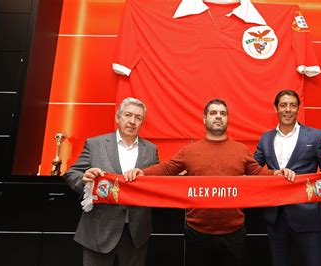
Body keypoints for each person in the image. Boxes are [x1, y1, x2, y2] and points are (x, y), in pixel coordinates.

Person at [125, 99, 295, 266]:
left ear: (228, 119)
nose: (218, 117)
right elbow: (167, 169)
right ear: (205, 119)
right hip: (197, 233)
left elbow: (259, 173)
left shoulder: (241, 150)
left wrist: (277, 173)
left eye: (223, 113)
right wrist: (142, 173)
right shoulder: (190, 150)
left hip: (234, 233)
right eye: (213, 113)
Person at [63, 97, 159, 266]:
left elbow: (157, 182)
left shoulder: (151, 150)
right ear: (117, 117)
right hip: (99, 230)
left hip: (136, 232)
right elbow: (72, 173)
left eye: (138, 117)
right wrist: (85, 181)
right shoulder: (95, 144)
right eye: (128, 115)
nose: (132, 121)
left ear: (142, 122)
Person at [254, 90, 321, 266]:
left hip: (309, 216)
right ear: (276, 109)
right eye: (283, 105)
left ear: (298, 109)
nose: (288, 109)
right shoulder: (265, 139)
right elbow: (253, 169)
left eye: (293, 105)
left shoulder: (316, 136)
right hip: (275, 216)